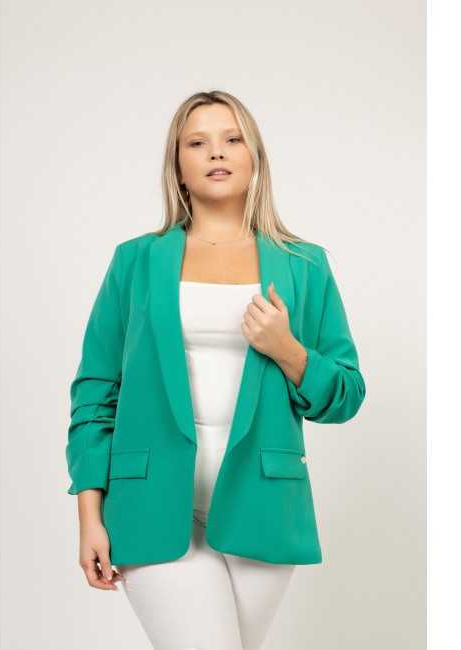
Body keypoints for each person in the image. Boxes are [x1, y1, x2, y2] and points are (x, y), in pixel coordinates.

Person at [65, 90, 366, 650]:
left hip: (263, 505)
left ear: (255, 159)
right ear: (177, 166)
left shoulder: (304, 263)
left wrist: (287, 350)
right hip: (151, 505)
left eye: (232, 139)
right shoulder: (135, 260)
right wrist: (89, 515)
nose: (216, 152)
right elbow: (96, 392)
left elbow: (345, 395)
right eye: (197, 143)